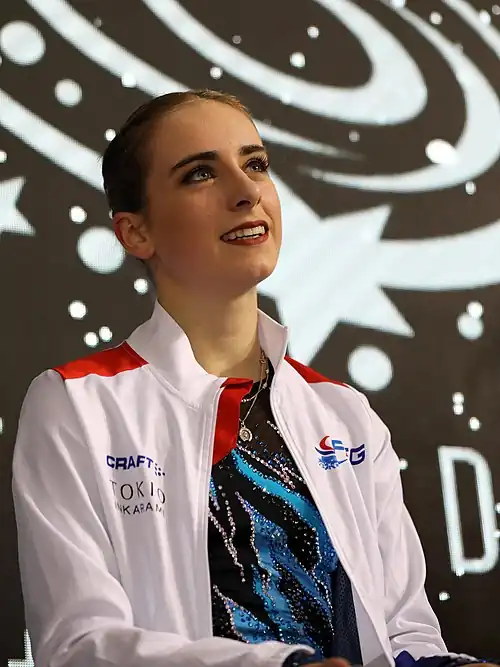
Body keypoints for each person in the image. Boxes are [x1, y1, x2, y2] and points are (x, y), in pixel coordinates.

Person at [11, 89, 495, 667]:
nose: (247, 192)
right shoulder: (75, 403)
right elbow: (77, 646)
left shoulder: (344, 413)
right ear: (135, 232)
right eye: (199, 174)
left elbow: (405, 636)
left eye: (256, 164)